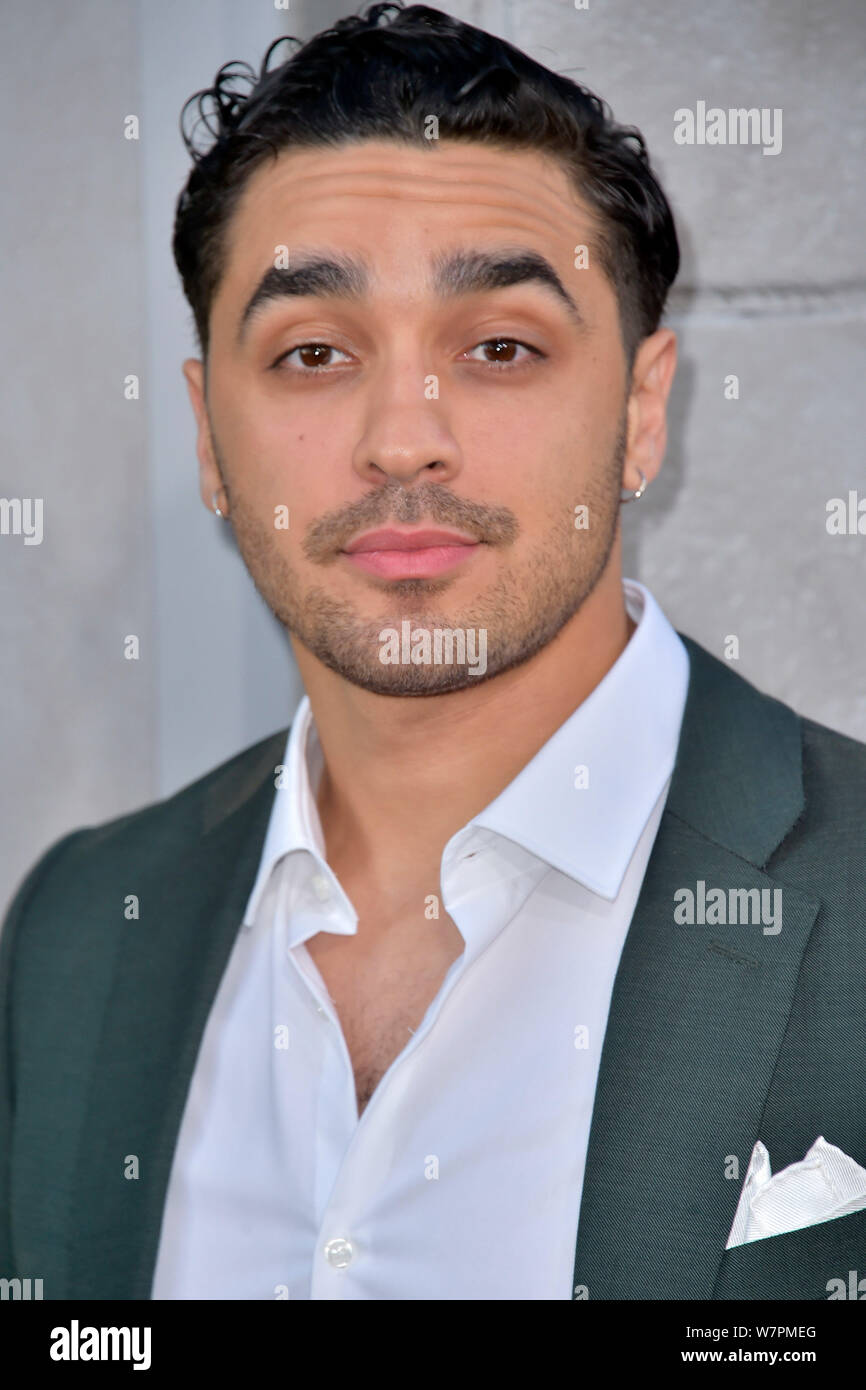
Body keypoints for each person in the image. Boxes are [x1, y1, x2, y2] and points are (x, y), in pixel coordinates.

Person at [2, 2, 864, 1302]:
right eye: (311, 352)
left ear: (641, 412)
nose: (402, 438)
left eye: (500, 346)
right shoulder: (74, 925)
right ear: (205, 438)